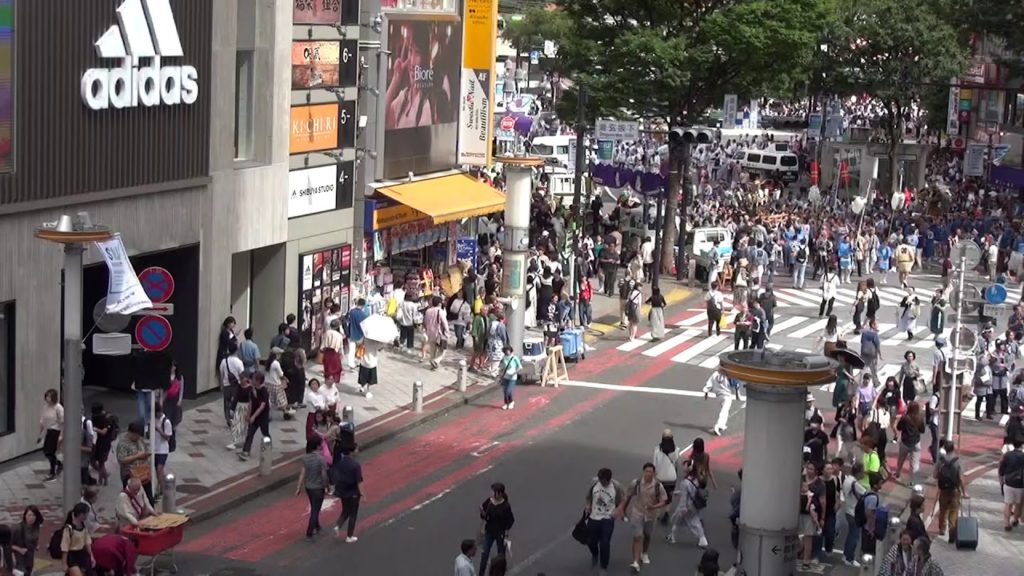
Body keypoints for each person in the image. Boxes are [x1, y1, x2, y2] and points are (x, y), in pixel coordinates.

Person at [622, 463, 668, 572]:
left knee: (647, 535)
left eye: (651, 472)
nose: (648, 474)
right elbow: (628, 496)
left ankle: (645, 552)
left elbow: (664, 501)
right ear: (643, 472)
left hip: (651, 515)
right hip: (637, 513)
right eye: (647, 471)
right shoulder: (636, 483)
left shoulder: (658, 486)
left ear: (654, 473)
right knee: (637, 537)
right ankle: (635, 562)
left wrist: (654, 506)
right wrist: (623, 510)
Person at [584, 468, 625, 576]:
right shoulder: (594, 483)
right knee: (590, 541)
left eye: (604, 481)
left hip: (607, 518)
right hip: (594, 516)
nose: (602, 483)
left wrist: (618, 510)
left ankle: (603, 567)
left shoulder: (616, 486)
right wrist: (588, 506)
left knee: (604, 543)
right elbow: (588, 497)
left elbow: (622, 501)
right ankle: (595, 554)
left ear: (609, 479)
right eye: (600, 480)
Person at [668, 464, 709, 549]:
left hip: (687, 505)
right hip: (695, 505)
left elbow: (684, 496)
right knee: (693, 520)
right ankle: (702, 538)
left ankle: (673, 536)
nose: (684, 467)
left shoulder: (685, 482)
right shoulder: (698, 481)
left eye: (686, 465)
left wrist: (683, 508)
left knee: (678, 520)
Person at [935, 439, 968, 541]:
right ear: (953, 448)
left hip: (943, 489)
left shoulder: (940, 460)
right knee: (953, 511)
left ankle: (941, 528)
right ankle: (952, 532)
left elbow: (935, 475)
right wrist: (964, 492)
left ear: (944, 448)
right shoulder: (958, 461)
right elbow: (961, 478)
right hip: (955, 490)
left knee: (943, 509)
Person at [477, 483, 514, 576]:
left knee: (500, 554)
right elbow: (485, 516)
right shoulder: (489, 501)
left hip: (500, 532)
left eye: (494, 492)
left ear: (500, 493)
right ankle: (481, 574)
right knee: (484, 553)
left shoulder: (505, 506)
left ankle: (500, 573)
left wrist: (506, 534)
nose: (492, 493)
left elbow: (510, 521)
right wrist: (482, 512)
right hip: (489, 531)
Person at [296, 438, 329, 539]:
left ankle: (317, 525)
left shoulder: (305, 458)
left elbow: (302, 473)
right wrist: (326, 486)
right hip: (318, 487)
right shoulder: (321, 459)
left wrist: (298, 487)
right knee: (316, 509)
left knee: (314, 505)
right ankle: (310, 530)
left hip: (308, 487)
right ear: (318, 446)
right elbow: (324, 475)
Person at [331, 444, 363, 543]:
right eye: (357, 449)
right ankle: (349, 536)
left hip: (343, 491)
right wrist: (363, 494)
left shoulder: (342, 462)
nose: (358, 451)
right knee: (353, 514)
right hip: (353, 492)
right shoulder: (356, 465)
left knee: (345, 510)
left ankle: (338, 526)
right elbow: (359, 481)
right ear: (352, 451)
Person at [115, 420, 152, 503]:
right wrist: (137, 456)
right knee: (134, 500)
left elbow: (145, 451)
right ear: (131, 433)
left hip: (143, 472)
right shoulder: (123, 443)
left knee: (148, 498)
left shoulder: (140, 440)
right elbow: (122, 459)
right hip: (130, 474)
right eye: (136, 435)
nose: (138, 437)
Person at [241, 372, 271, 460]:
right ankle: (246, 451)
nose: (251, 380)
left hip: (263, 416)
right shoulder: (252, 390)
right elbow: (251, 403)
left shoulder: (264, 391)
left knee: (265, 432)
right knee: (250, 433)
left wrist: (253, 416)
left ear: (258, 381)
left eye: (253, 379)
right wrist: (248, 414)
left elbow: (262, 406)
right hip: (254, 414)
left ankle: (268, 446)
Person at [841, 463, 866, 567]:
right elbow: (865, 493)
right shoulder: (854, 483)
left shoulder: (847, 480)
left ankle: (846, 555)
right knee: (854, 536)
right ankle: (849, 558)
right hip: (854, 513)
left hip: (848, 511)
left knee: (850, 534)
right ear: (859, 472)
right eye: (862, 471)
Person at [894, 402, 925, 485]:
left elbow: (898, 428)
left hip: (905, 442)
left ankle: (897, 474)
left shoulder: (905, 418)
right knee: (915, 463)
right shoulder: (920, 418)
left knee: (901, 459)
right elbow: (922, 430)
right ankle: (912, 481)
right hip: (916, 443)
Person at [60, 503, 94, 576]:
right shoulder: (69, 528)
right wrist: (64, 563)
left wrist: (91, 556)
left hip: (82, 554)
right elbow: (65, 546)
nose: (86, 516)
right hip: (72, 556)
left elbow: (87, 542)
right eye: (86, 514)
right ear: (81, 514)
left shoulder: (84, 527)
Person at [37, 388, 64, 482]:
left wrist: (61, 435)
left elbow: (62, 422)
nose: (47, 398)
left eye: (49, 396)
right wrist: (40, 434)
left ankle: (53, 472)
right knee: (46, 451)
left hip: (55, 431)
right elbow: (42, 420)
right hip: (48, 430)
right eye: (47, 396)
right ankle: (58, 464)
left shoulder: (58, 408)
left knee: (50, 451)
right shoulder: (46, 407)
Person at [653, 430, 679, 524]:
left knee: (659, 496)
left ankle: (658, 514)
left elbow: (654, 465)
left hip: (661, 477)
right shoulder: (676, 449)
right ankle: (667, 513)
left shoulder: (657, 450)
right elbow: (675, 462)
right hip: (672, 477)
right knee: (669, 496)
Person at [998, 439, 1024, 531]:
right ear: (1022, 446)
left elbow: (1001, 469)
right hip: (1020, 485)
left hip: (1008, 483)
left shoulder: (1007, 455)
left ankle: (1006, 524)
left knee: (1008, 504)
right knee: (1018, 505)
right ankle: (1015, 519)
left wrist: (1001, 479)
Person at [218, 341, 244, 428]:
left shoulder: (223, 361)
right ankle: (234, 418)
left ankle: (228, 419)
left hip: (226, 385)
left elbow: (221, 374)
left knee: (227, 403)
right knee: (235, 402)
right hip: (236, 386)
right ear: (236, 351)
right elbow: (241, 375)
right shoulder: (239, 362)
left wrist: (221, 385)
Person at [11, 505, 42, 576]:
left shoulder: (36, 526)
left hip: (30, 559)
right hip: (19, 561)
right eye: (29, 515)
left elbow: (34, 539)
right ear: (25, 516)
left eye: (34, 515)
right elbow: (8, 544)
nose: (31, 518)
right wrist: (19, 549)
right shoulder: (17, 528)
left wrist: (36, 545)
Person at [704, 370, 734, 436]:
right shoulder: (728, 374)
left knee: (724, 410)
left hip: (718, 396)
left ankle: (722, 425)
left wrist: (706, 392)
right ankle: (718, 425)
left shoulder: (715, 374)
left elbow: (709, 384)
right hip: (727, 395)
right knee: (724, 411)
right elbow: (733, 384)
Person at [423, 295, 450, 369]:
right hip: (438, 333)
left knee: (432, 349)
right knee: (443, 349)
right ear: (439, 303)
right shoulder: (440, 311)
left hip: (429, 332)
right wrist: (447, 332)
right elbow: (444, 323)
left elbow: (425, 321)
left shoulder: (428, 311)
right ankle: (436, 361)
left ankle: (432, 361)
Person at [153, 402, 173, 496]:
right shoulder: (153, 419)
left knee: (159, 468)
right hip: (154, 448)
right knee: (158, 470)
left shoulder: (166, 421)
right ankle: (161, 485)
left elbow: (167, 437)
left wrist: (159, 430)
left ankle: (161, 489)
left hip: (163, 449)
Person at [496, 345, 522, 411]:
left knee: (508, 391)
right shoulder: (503, 358)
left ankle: (511, 402)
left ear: (511, 351)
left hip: (512, 377)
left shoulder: (514, 358)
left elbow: (520, 367)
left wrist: (515, 372)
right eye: (506, 351)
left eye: (508, 351)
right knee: (505, 391)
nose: (507, 352)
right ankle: (507, 403)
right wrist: (500, 373)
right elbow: (501, 367)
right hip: (505, 376)